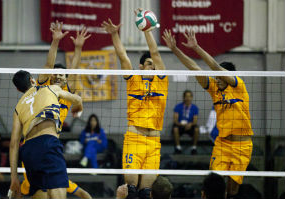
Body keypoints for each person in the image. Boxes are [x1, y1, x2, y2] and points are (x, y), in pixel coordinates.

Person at [162, 29, 253, 198]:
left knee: (232, 191)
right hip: (222, 145)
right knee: (214, 186)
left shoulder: (238, 87)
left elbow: (215, 67)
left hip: (242, 146)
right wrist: (175, 49)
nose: (217, 79)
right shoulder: (214, 89)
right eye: (216, 77)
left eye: (220, 77)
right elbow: (194, 67)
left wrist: (196, 47)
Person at [19, 21, 92, 199]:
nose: (59, 75)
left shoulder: (67, 91)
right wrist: (55, 41)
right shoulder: (43, 87)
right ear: (51, 76)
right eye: (56, 73)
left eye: (62, 74)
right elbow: (48, 63)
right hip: (33, 143)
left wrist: (78, 48)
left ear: (67, 79)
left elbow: (73, 69)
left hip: (52, 144)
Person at [102, 9, 169, 199]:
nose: (153, 67)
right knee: (131, 189)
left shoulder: (161, 79)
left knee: (146, 192)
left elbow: (155, 52)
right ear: (141, 67)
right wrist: (115, 34)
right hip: (135, 139)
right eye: (149, 64)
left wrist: (147, 29)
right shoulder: (133, 79)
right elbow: (123, 56)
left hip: (154, 142)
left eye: (154, 64)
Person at [9, 70, 83, 198]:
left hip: (28, 150)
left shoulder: (18, 108)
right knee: (57, 194)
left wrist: (14, 178)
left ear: (17, 89)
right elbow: (77, 99)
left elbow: (13, 144)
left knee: (39, 193)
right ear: (32, 80)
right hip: (47, 143)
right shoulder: (51, 88)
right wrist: (79, 106)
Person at [173, 90, 199, 154]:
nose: (188, 98)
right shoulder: (178, 106)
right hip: (180, 126)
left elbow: (195, 121)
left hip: (190, 126)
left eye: (189, 96)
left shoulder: (194, 107)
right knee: (175, 128)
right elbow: (175, 120)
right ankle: (178, 148)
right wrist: (181, 124)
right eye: (186, 96)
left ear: (192, 97)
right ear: (183, 97)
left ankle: (194, 148)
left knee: (196, 129)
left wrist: (190, 124)